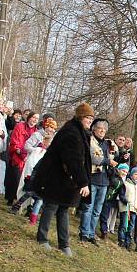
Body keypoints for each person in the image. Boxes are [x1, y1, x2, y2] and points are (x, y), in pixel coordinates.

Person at [33, 103, 94, 257]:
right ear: (80, 117)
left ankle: (64, 243)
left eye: (91, 118)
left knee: (63, 209)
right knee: (51, 205)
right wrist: (83, 182)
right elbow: (73, 159)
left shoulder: (80, 132)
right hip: (57, 177)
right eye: (88, 117)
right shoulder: (71, 132)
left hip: (67, 179)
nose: (90, 121)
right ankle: (42, 238)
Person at [79, 118, 112, 245]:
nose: (102, 131)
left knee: (97, 210)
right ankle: (84, 233)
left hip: (104, 181)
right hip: (92, 178)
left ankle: (91, 233)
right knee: (88, 207)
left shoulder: (108, 144)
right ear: (94, 129)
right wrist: (108, 161)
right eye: (100, 129)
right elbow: (94, 159)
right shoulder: (90, 141)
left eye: (104, 129)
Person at [9, 131, 52, 224]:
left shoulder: (48, 155)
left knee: (39, 200)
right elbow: (34, 164)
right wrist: (32, 176)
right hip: (35, 176)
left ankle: (33, 217)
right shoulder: (38, 151)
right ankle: (17, 206)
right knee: (29, 194)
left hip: (43, 180)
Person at [17, 117, 57, 199]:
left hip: (42, 164)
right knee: (27, 182)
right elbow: (27, 146)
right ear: (46, 126)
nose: (52, 130)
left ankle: (31, 206)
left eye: (53, 128)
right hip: (32, 161)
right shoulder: (37, 135)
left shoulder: (53, 139)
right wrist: (37, 150)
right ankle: (20, 202)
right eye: (50, 127)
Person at [6, 111, 39, 205]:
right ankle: (10, 198)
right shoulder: (20, 126)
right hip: (18, 155)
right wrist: (20, 152)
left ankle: (20, 200)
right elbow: (15, 140)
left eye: (36, 119)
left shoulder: (36, 132)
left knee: (24, 180)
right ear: (29, 117)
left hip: (29, 158)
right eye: (33, 117)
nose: (34, 120)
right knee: (14, 178)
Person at [119, 167, 137, 250]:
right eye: (136, 174)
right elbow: (121, 195)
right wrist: (126, 202)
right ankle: (121, 240)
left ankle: (128, 242)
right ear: (132, 174)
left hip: (134, 209)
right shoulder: (125, 183)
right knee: (124, 224)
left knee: (131, 226)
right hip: (126, 207)